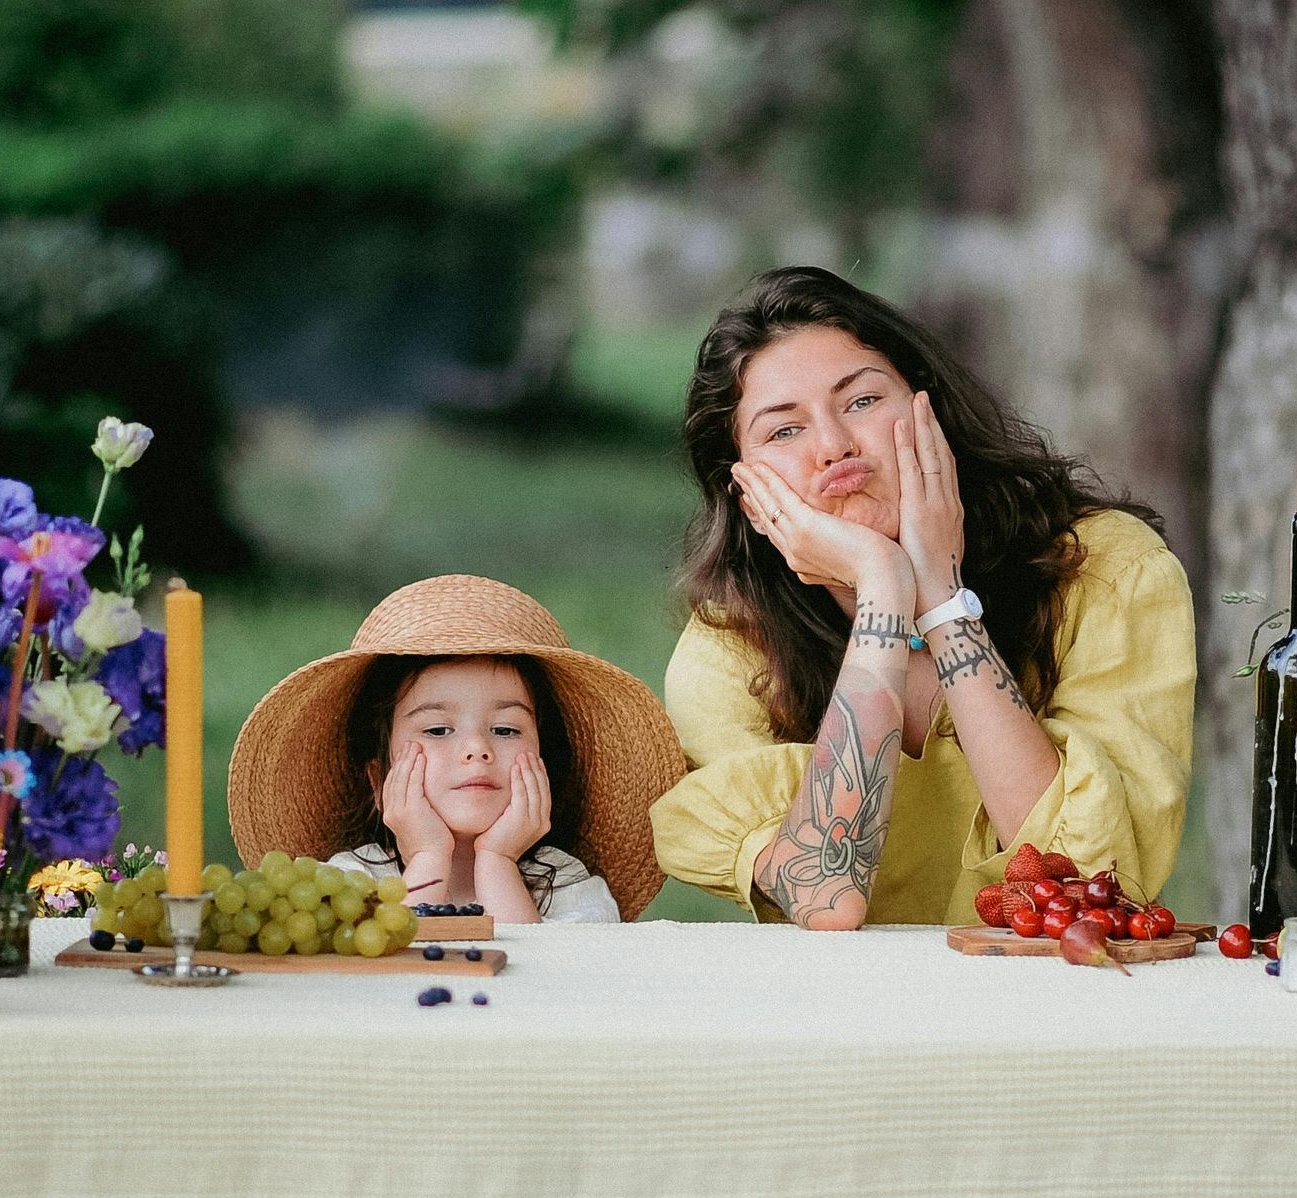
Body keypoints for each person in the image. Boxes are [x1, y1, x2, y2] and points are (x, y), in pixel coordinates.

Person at [649, 266, 1196, 929]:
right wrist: (883, 586)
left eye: (861, 401)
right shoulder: (729, 656)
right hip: (846, 1021)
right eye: (783, 430)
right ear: (745, 491)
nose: (833, 445)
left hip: (1057, 1004)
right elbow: (823, 892)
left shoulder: (1110, 571)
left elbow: (1083, 886)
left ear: (924, 405)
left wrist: (940, 596)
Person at [227, 575, 684, 922]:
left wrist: (499, 861)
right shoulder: (350, 882)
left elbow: (537, 999)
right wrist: (426, 856)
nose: (476, 749)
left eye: (505, 730)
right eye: (438, 730)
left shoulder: (571, 887)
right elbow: (385, 982)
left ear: (545, 764)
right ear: (379, 780)